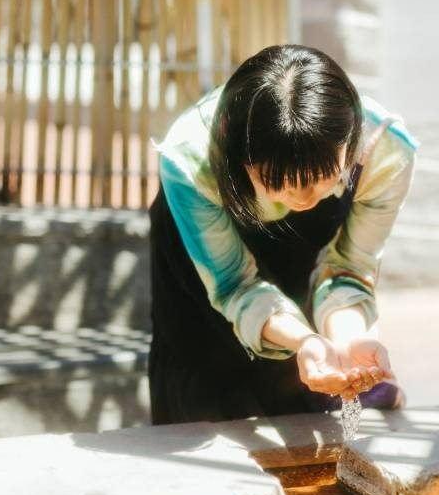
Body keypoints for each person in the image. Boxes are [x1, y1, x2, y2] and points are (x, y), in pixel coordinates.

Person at [148, 44, 418, 425]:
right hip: (201, 283)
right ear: (242, 162)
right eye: (278, 183)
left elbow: (349, 266)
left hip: (301, 268)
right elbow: (233, 286)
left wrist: (345, 341)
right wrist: (303, 340)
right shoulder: (191, 162)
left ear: (349, 144)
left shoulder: (384, 151)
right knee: (204, 412)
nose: (302, 198)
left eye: (320, 179)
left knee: (315, 414)